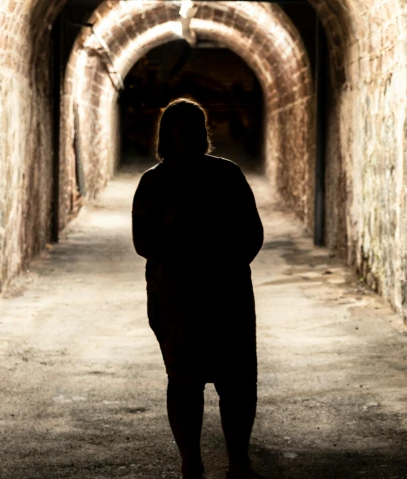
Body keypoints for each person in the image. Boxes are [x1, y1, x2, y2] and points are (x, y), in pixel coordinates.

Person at [131, 99, 265, 479]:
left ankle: (238, 460)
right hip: (178, 297)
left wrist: (223, 261)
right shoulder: (154, 182)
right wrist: (188, 260)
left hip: (226, 293)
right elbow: (144, 241)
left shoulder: (227, 175)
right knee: (185, 380)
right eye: (182, 127)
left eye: (195, 127)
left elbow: (252, 233)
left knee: (237, 382)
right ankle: (192, 462)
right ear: (168, 134)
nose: (190, 134)